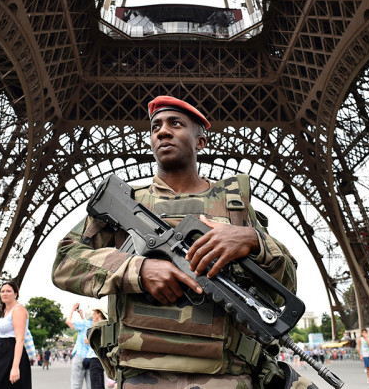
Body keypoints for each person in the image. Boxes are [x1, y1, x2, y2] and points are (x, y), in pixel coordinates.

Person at [52, 95, 314, 389]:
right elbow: (65, 262)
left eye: (175, 123)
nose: (163, 131)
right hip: (142, 375)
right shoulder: (126, 204)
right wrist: (137, 270)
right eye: (155, 127)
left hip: (226, 377)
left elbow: (285, 288)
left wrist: (254, 240)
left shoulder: (235, 208)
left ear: (200, 141)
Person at [66, 302, 92, 389]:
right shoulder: (95, 324)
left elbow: (68, 322)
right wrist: (81, 316)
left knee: (76, 384)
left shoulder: (84, 323)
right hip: (91, 357)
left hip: (80, 355)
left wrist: (73, 309)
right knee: (91, 385)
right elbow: (87, 325)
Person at [88, 306, 108, 389]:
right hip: (103, 357)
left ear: (99, 313)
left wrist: (93, 323)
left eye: (94, 313)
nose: (93, 315)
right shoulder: (107, 325)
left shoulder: (96, 327)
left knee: (95, 384)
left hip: (95, 357)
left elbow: (87, 340)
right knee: (100, 383)